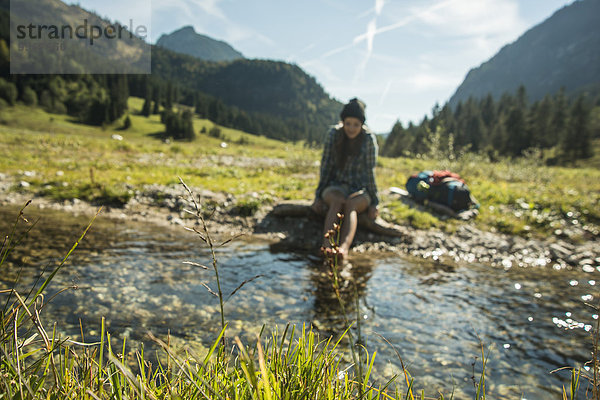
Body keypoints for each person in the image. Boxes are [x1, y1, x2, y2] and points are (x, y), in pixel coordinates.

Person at [311, 98, 379, 261]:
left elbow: (370, 172)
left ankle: (343, 248)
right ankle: (326, 245)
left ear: (361, 124)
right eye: (348, 123)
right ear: (343, 122)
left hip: (360, 190)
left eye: (356, 124)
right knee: (337, 201)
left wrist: (375, 202)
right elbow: (325, 167)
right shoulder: (333, 135)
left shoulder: (368, 140)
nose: (351, 128)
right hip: (335, 186)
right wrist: (318, 196)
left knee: (350, 205)